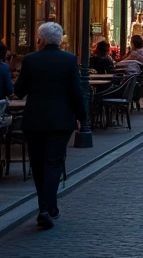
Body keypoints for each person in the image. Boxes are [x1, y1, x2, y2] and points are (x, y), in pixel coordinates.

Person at [13, 23, 87, 231]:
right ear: (59, 40)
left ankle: (45, 207)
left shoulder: (30, 60)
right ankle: (47, 208)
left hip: (34, 120)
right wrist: (82, 117)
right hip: (61, 121)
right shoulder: (69, 60)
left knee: (37, 165)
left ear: (42, 40)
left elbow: (19, 91)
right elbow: (75, 92)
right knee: (54, 163)